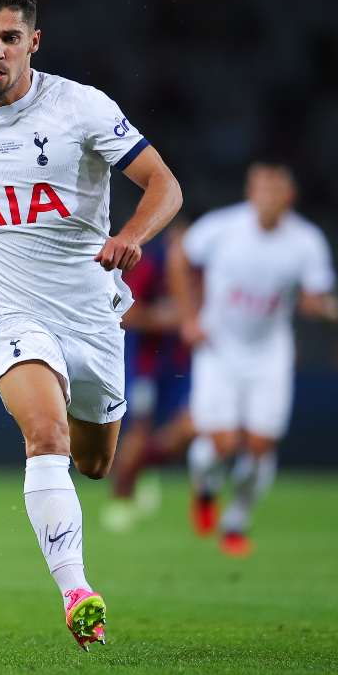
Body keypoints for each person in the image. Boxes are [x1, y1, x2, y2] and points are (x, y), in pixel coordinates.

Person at [0, 0, 182, 651]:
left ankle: (73, 412)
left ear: (33, 42)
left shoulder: (83, 109)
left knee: (94, 462)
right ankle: (77, 592)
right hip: (8, 305)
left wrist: (131, 237)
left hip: (91, 311)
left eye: (11, 38)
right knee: (45, 437)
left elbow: (164, 183)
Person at [171, 163, 338, 557]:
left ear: (289, 197)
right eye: (261, 189)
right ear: (251, 192)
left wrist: (323, 308)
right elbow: (180, 257)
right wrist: (189, 317)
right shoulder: (223, 228)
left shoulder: (306, 241)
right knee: (223, 443)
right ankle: (206, 489)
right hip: (219, 347)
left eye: (275, 190)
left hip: (270, 352)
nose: (267, 198)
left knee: (261, 446)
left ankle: (235, 524)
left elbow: (319, 296)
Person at [101, 227, 195, 533]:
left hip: (185, 364)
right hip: (147, 365)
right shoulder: (150, 267)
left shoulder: (203, 273)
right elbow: (124, 313)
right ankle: (121, 498)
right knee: (137, 431)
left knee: (189, 429)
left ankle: (140, 468)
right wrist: (163, 318)